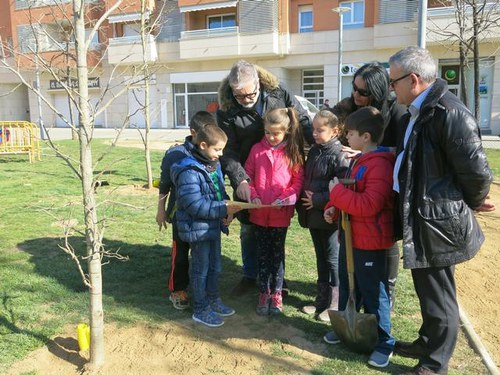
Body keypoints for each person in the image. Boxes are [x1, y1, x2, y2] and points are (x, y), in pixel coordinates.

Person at [389, 46, 494, 375]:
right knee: (426, 288)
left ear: (414, 79)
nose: (392, 88)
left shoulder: (449, 113)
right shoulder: (420, 112)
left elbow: (477, 172)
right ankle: (427, 340)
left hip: (438, 221)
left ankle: (435, 365)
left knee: (440, 296)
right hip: (423, 217)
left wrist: (472, 202)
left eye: (394, 82)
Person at [217, 60, 313, 296]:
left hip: (282, 171)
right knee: (249, 228)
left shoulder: (279, 94)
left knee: (278, 232)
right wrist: (240, 179)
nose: (246, 99)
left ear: (258, 83)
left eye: (250, 93)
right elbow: (228, 151)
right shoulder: (227, 110)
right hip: (250, 175)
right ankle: (252, 275)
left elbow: (303, 123)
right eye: (239, 96)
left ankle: (276, 278)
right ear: (232, 91)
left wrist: (326, 144)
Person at [323, 106, 396, 368]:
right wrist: (335, 208)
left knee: (374, 293)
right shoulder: (359, 161)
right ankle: (347, 327)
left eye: (350, 133)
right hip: (351, 240)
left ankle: (384, 342)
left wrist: (336, 194)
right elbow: (351, 194)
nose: (346, 138)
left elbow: (369, 205)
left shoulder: (379, 166)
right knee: (348, 287)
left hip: (371, 244)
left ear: (365, 137)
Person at [331, 62, 407, 309]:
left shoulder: (396, 111)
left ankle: (387, 291)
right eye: (354, 88)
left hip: (387, 186)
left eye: (363, 92)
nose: (356, 95)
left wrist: (368, 153)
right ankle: (355, 296)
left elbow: (404, 150)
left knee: (385, 238)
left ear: (377, 92)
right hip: (356, 182)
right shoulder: (348, 107)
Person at [170, 125, 242, 327]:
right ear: (203, 145)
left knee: (215, 267)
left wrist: (227, 209)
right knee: (200, 270)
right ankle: (200, 308)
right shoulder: (189, 171)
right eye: (217, 149)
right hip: (198, 230)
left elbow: (218, 192)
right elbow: (194, 205)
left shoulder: (212, 165)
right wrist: (223, 208)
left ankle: (213, 300)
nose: (221, 154)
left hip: (212, 227)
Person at [244, 107, 304, 315]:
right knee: (262, 254)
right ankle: (263, 292)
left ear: (286, 131)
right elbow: (248, 175)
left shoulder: (292, 152)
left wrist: (285, 198)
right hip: (259, 214)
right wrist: (254, 195)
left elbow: (297, 182)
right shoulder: (256, 150)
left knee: (277, 256)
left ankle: (276, 293)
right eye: (267, 132)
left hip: (280, 215)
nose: (271, 137)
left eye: (276, 133)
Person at [156, 111, 215, 310]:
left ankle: (204, 287)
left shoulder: (212, 151)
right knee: (180, 253)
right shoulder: (175, 154)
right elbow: (164, 184)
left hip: (205, 215)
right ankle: (178, 289)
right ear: (193, 132)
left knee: (205, 254)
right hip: (180, 215)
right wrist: (161, 210)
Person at [296, 110, 349, 321]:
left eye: (320, 130)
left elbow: (342, 186)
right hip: (313, 216)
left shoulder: (339, 154)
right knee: (320, 258)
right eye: (314, 129)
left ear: (335, 131)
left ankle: (334, 304)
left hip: (329, 217)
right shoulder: (315, 151)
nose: (315, 133)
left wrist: (318, 200)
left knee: (332, 259)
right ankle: (321, 300)